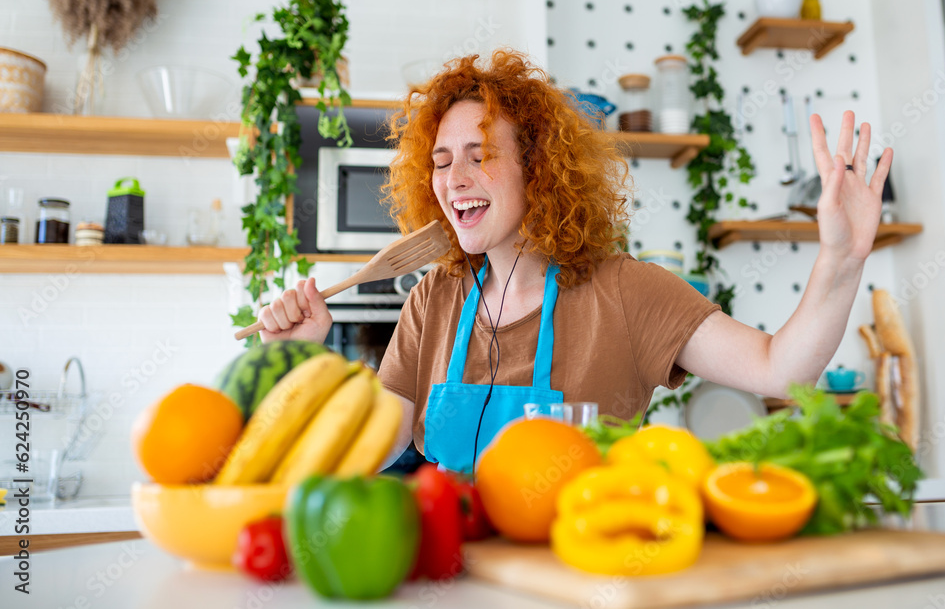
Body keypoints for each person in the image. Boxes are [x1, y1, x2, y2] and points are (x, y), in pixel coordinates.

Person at [256, 49, 893, 474]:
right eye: (442, 162)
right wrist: (307, 357)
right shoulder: (435, 298)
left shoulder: (628, 292)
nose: (456, 179)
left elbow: (780, 369)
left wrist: (842, 255)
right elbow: (374, 442)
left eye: (480, 154)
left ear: (538, 168)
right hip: (456, 579)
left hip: (586, 577)